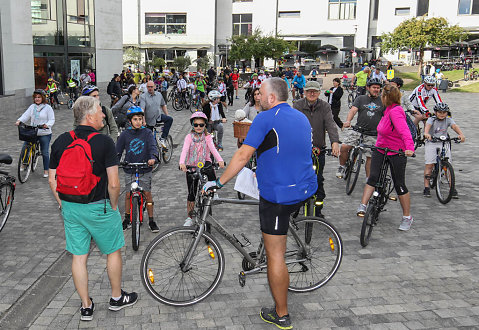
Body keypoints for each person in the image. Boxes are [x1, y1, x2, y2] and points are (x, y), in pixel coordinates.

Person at [202, 77, 317, 330]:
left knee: (276, 255)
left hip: (278, 195)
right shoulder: (300, 117)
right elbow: (288, 149)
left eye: (261, 95)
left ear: (272, 98)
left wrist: (218, 183)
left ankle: (282, 314)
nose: (258, 98)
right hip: (304, 187)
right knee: (273, 238)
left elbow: (243, 154)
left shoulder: (266, 117)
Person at [48, 96, 138, 321]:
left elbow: (52, 179)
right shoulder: (105, 142)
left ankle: (86, 306)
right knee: (113, 251)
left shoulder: (60, 140)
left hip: (71, 207)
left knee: (79, 257)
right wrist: (115, 205)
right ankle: (117, 298)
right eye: (100, 111)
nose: (103, 115)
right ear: (89, 116)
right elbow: (115, 183)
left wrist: (63, 204)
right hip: (100, 207)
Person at [356, 85, 415, 231]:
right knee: (373, 177)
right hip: (381, 148)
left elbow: (404, 131)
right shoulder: (386, 110)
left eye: (383, 95)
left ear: (386, 97)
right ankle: (363, 205)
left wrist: (409, 148)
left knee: (399, 184)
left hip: (397, 151)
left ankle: (407, 217)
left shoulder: (396, 111)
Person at [293, 80, 340, 216]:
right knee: (298, 178)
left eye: (314, 91)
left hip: (319, 149)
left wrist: (334, 142)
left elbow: (330, 124)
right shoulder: (297, 105)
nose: (311, 93)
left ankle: (318, 209)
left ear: (319, 93)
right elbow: (292, 125)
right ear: (304, 92)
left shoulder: (325, 106)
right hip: (300, 151)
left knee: (318, 179)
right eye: (309, 91)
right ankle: (296, 204)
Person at [116, 106, 159, 232]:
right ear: (130, 121)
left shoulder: (147, 133)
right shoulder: (125, 134)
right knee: (128, 194)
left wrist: (152, 158)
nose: (138, 121)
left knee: (147, 194)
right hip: (130, 167)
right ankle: (127, 218)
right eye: (135, 119)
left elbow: (152, 147)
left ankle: (151, 220)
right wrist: (116, 160)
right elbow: (118, 150)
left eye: (140, 119)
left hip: (145, 168)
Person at [179, 112, 225, 226]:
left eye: (201, 125)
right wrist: (182, 163)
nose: (198, 127)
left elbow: (213, 149)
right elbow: (184, 150)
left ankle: (213, 192)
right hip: (191, 165)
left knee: (210, 170)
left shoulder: (208, 137)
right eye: (196, 125)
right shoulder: (189, 137)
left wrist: (220, 160)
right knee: (191, 193)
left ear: (205, 125)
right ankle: (189, 217)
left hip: (204, 162)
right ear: (192, 125)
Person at [337, 78, 384, 179]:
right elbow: (353, 111)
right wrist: (348, 121)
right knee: (344, 147)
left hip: (373, 133)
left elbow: (387, 117)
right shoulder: (361, 98)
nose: (376, 90)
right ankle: (342, 166)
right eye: (374, 87)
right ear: (368, 88)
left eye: (378, 88)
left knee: (370, 157)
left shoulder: (383, 101)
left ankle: (369, 180)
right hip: (358, 130)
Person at [423, 103, 465, 198]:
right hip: (432, 142)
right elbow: (427, 127)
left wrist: (461, 134)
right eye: (440, 112)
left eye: (444, 112)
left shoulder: (448, 120)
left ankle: (452, 187)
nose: (442, 114)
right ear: (435, 112)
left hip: (444, 142)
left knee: (448, 165)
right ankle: (426, 187)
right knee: (429, 165)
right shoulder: (431, 119)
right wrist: (426, 133)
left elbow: (454, 126)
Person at [16, 89, 55, 178]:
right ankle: (24, 163)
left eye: (39, 97)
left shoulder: (48, 108)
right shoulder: (32, 107)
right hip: (33, 132)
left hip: (44, 133)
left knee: (45, 152)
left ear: (43, 98)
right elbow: (26, 115)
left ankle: (46, 170)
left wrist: (47, 125)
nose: (37, 99)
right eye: (35, 97)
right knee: (25, 147)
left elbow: (52, 119)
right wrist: (19, 120)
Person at [139, 80, 173, 147]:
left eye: (151, 87)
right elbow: (142, 109)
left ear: (154, 87)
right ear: (146, 87)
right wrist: (143, 121)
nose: (150, 88)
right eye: (148, 87)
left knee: (169, 119)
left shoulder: (159, 95)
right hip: (149, 120)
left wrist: (167, 114)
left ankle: (163, 138)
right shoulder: (143, 96)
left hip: (158, 117)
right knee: (149, 140)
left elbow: (163, 105)